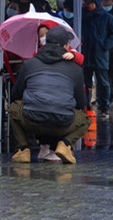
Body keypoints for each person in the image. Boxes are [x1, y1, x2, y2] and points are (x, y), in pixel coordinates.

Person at [10, 26, 90, 164]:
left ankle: (23, 150)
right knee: (84, 119)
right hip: (62, 123)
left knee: (13, 108)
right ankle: (65, 144)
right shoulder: (75, 69)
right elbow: (80, 103)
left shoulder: (29, 64)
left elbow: (15, 95)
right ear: (66, 46)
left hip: (31, 120)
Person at [80, 0, 113, 118]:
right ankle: (86, 106)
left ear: (96, 3)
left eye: (91, 3)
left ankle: (104, 107)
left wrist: (105, 45)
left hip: (100, 54)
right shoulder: (83, 16)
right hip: (86, 54)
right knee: (86, 83)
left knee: (103, 82)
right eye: (87, 3)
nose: (89, 5)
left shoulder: (107, 17)